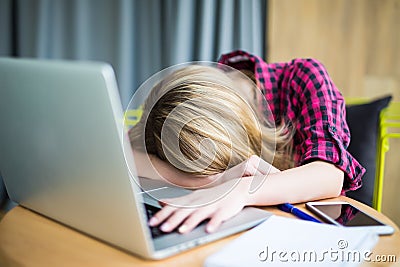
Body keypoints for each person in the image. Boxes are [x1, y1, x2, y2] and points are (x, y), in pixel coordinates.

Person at [129, 50, 365, 235]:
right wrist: (212, 180)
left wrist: (242, 190)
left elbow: (329, 175)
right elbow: (124, 151)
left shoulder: (304, 77)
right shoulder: (180, 98)